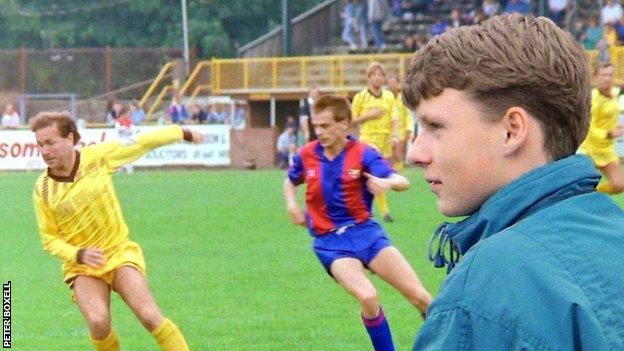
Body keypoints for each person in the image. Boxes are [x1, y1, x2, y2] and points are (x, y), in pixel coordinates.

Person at [404, 14, 624, 349]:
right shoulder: (612, 230)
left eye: (435, 127)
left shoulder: (487, 286)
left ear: (512, 131)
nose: (414, 154)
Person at [31, 111, 202, 351]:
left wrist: (181, 132)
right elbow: (49, 239)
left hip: (119, 252)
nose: (45, 151)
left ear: (69, 139)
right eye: (40, 145)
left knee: (149, 316)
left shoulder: (98, 157)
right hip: (82, 266)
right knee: (99, 322)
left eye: (50, 142)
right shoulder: (42, 190)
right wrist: (78, 254)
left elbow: (141, 142)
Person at [284, 94, 431, 351]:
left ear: (344, 124)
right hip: (330, 243)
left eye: (326, 126)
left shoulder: (363, 154)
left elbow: (402, 181)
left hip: (367, 235)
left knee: (422, 299)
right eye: (316, 126)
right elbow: (290, 180)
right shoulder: (307, 154)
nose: (320, 132)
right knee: (368, 297)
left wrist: (385, 182)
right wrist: (292, 205)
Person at [352, 62, 399, 222]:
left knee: (376, 177)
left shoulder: (389, 97)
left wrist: (394, 135)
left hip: (384, 141)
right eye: (374, 74)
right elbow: (351, 120)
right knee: (372, 174)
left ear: (384, 78)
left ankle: (367, 209)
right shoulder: (360, 97)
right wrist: (369, 116)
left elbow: (394, 118)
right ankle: (384, 212)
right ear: (369, 78)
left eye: (380, 75)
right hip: (367, 140)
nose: (377, 77)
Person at [578, 62, 624, 194]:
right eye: (604, 75)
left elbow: (609, 118)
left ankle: (593, 194)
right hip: (588, 151)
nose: (608, 78)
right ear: (596, 78)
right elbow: (589, 127)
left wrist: (617, 126)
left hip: (606, 150)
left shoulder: (614, 94)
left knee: (619, 185)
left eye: (610, 75)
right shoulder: (592, 99)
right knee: (578, 185)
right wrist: (609, 134)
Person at [386, 75, 413, 171]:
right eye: (390, 83)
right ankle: (389, 174)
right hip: (387, 132)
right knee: (388, 156)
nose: (392, 85)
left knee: (398, 155)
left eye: (394, 83)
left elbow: (407, 115)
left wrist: (408, 130)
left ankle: (399, 173)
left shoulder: (402, 98)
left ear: (398, 84)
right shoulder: (385, 98)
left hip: (400, 132)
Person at [114, 107, 135, 174]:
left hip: (129, 140)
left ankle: (130, 172)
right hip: (121, 140)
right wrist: (126, 129)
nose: (128, 115)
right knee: (121, 156)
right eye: (127, 113)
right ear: (123, 113)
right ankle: (119, 171)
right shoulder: (119, 121)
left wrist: (125, 129)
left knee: (129, 156)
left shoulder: (129, 120)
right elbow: (118, 129)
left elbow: (132, 129)